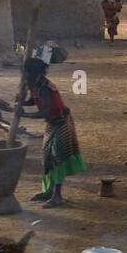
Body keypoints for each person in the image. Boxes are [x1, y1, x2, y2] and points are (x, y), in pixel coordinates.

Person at [19, 57, 85, 207]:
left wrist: (24, 114)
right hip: (51, 123)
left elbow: (46, 112)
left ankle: (57, 196)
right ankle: (47, 191)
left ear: (34, 73)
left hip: (62, 123)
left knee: (58, 160)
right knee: (47, 159)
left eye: (26, 73)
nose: (24, 75)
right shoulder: (34, 84)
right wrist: (22, 102)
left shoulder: (45, 88)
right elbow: (33, 101)